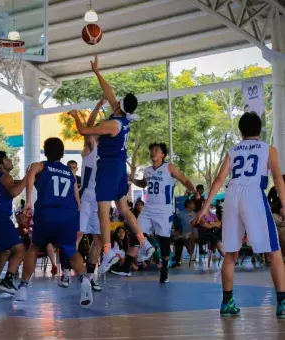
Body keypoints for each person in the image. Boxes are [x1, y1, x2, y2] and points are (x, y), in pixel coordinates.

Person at [193, 112, 285, 318]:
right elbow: (278, 178)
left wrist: (205, 207)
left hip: (232, 195)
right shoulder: (268, 149)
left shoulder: (233, 150)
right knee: (274, 250)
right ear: (259, 129)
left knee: (231, 252)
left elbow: (218, 180)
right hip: (253, 194)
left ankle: (227, 303)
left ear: (241, 131)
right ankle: (283, 303)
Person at [68, 55, 154, 274]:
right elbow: (109, 93)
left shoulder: (112, 125)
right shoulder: (124, 119)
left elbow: (84, 131)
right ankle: (144, 242)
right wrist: (97, 72)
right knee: (124, 210)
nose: (114, 100)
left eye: (117, 100)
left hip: (107, 169)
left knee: (103, 213)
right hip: (118, 168)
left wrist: (76, 115)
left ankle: (107, 253)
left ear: (119, 106)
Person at [13, 137, 92, 308]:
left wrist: (27, 201)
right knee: (71, 251)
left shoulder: (41, 166)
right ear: (62, 154)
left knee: (34, 247)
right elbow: (77, 200)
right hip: (68, 216)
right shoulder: (70, 173)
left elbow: (31, 173)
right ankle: (84, 280)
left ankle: (23, 286)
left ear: (45, 151)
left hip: (47, 213)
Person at [129, 142, 198, 283]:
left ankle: (164, 269)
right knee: (136, 231)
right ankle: (145, 249)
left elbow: (183, 179)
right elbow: (143, 184)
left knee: (164, 241)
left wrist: (194, 190)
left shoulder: (168, 167)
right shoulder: (147, 170)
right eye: (151, 150)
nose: (153, 152)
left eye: (156, 150)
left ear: (162, 154)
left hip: (164, 209)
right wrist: (131, 178)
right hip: (148, 207)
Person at [60, 98, 106, 290]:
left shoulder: (108, 154)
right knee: (77, 235)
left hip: (101, 201)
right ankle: (65, 272)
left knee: (99, 240)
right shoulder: (90, 148)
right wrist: (96, 107)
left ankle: (89, 275)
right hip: (86, 197)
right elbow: (88, 126)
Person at [0, 151, 26, 294]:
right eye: (7, 159)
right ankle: (7, 281)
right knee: (20, 249)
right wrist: (28, 178)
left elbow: (11, 185)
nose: (10, 160)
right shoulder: (6, 177)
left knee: (5, 250)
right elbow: (14, 192)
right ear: (1, 165)